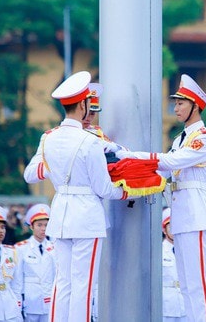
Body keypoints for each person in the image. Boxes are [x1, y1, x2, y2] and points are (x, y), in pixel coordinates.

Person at [24, 71, 128, 321]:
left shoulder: (49, 138)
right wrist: (125, 191)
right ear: (83, 105)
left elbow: (31, 174)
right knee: (83, 285)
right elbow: (104, 189)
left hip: (61, 213)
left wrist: (55, 168)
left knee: (63, 282)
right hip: (87, 216)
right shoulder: (89, 142)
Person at [117, 73, 206, 322]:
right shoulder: (179, 139)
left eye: (181, 103)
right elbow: (162, 169)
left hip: (195, 212)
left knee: (198, 283)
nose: (176, 107)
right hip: (181, 213)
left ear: (195, 105)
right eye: (176, 102)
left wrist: (133, 156)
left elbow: (171, 162)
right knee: (186, 283)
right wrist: (125, 157)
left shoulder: (204, 137)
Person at [15, 204, 56, 322]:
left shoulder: (54, 249)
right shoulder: (21, 248)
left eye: (46, 225)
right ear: (32, 226)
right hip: (30, 302)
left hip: (48, 302)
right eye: (39, 225)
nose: (43, 229)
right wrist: (18, 304)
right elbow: (17, 280)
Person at [161, 207, 187, 322]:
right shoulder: (158, 251)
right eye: (170, 226)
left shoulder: (187, 250)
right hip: (166, 305)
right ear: (164, 230)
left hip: (184, 303)